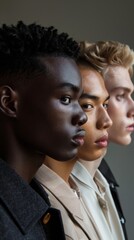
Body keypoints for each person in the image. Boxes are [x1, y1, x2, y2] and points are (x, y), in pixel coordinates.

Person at [0, 21, 87, 240]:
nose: (83, 116)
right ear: (9, 102)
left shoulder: (37, 197)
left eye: (80, 100)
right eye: (66, 99)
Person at [35, 53, 112, 238]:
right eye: (87, 105)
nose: (107, 120)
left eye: (106, 104)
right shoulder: (39, 203)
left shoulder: (84, 188)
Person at [72, 40, 134, 240]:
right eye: (120, 96)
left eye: (130, 95)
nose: (132, 108)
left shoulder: (104, 181)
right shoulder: (59, 189)